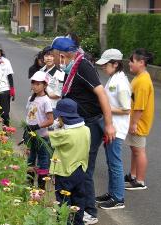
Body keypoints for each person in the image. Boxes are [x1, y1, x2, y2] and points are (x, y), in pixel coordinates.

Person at [50, 37, 116, 225]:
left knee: (83, 167)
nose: (52, 58)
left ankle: (89, 212)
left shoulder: (83, 66)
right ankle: (77, 208)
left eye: (53, 54)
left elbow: (101, 93)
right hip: (78, 122)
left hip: (90, 123)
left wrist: (109, 124)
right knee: (77, 166)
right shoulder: (71, 67)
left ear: (61, 55)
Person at [95, 49, 131, 209]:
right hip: (111, 127)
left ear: (115, 64)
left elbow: (126, 109)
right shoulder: (114, 78)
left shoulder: (121, 83)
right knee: (111, 162)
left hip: (116, 129)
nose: (103, 67)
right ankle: (112, 193)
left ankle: (118, 198)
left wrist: (106, 108)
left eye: (106, 64)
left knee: (115, 163)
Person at [49, 98, 90, 225]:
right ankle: (78, 222)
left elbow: (48, 135)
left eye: (58, 118)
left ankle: (64, 222)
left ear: (63, 118)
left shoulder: (65, 134)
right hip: (80, 170)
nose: (57, 120)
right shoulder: (86, 130)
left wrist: (54, 127)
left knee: (63, 203)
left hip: (64, 172)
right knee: (79, 201)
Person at [124, 48, 154, 190]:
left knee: (139, 150)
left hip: (138, 122)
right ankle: (133, 175)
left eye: (132, 61)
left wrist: (134, 123)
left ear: (141, 62)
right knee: (135, 149)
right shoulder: (140, 76)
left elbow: (140, 107)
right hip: (135, 121)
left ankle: (140, 181)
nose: (129, 63)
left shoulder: (142, 81)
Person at [25, 71, 54, 190]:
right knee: (31, 159)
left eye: (38, 84)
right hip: (31, 135)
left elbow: (50, 120)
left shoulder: (46, 100)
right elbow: (28, 115)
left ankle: (41, 189)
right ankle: (29, 186)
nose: (35, 86)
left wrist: (37, 126)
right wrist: (27, 129)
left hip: (42, 137)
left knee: (43, 160)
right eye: (34, 83)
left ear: (45, 85)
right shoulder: (30, 98)